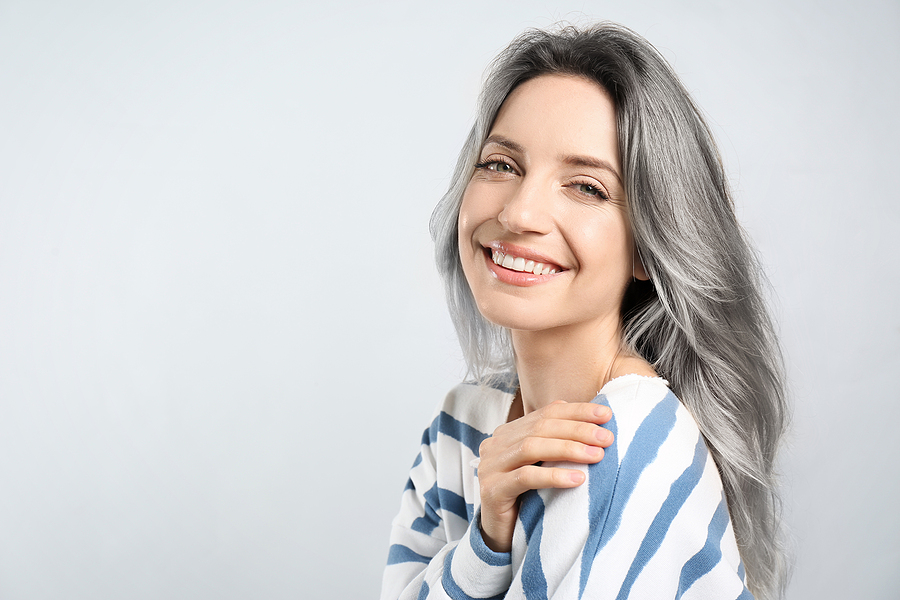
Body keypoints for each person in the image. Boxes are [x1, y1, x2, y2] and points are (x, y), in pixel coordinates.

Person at [381, 22, 788, 600]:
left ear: (650, 247)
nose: (520, 212)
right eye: (501, 165)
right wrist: (484, 543)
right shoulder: (462, 426)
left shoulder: (624, 444)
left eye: (587, 187)